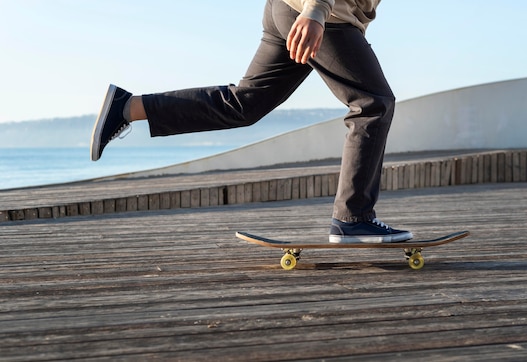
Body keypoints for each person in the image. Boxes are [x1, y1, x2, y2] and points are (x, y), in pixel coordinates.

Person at [90, 0, 413, 244]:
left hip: (287, 8)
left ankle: (129, 107)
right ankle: (353, 218)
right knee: (373, 105)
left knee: (245, 104)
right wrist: (316, 10)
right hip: (322, 15)